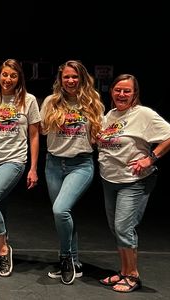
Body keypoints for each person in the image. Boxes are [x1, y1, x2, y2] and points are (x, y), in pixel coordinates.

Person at [96, 74, 170, 293]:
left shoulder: (143, 114)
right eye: (118, 90)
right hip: (110, 179)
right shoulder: (109, 115)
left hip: (134, 181)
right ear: (112, 91)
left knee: (123, 227)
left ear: (134, 94)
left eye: (127, 91)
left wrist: (151, 158)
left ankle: (133, 275)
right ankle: (123, 271)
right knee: (116, 228)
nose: (122, 94)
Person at [39, 60, 104, 285]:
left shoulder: (93, 102)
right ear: (60, 79)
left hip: (81, 164)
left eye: (75, 77)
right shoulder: (50, 102)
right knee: (65, 214)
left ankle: (65, 258)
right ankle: (75, 262)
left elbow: (99, 135)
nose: (70, 81)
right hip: (54, 164)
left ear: (82, 79)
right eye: (66, 77)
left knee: (60, 209)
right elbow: (42, 130)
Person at [0, 58, 40, 277]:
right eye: (5, 75)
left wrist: (33, 168)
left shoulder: (28, 100)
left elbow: (34, 135)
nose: (8, 79)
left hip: (13, 160)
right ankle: (1, 252)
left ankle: (4, 250)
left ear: (19, 79)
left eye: (13, 76)